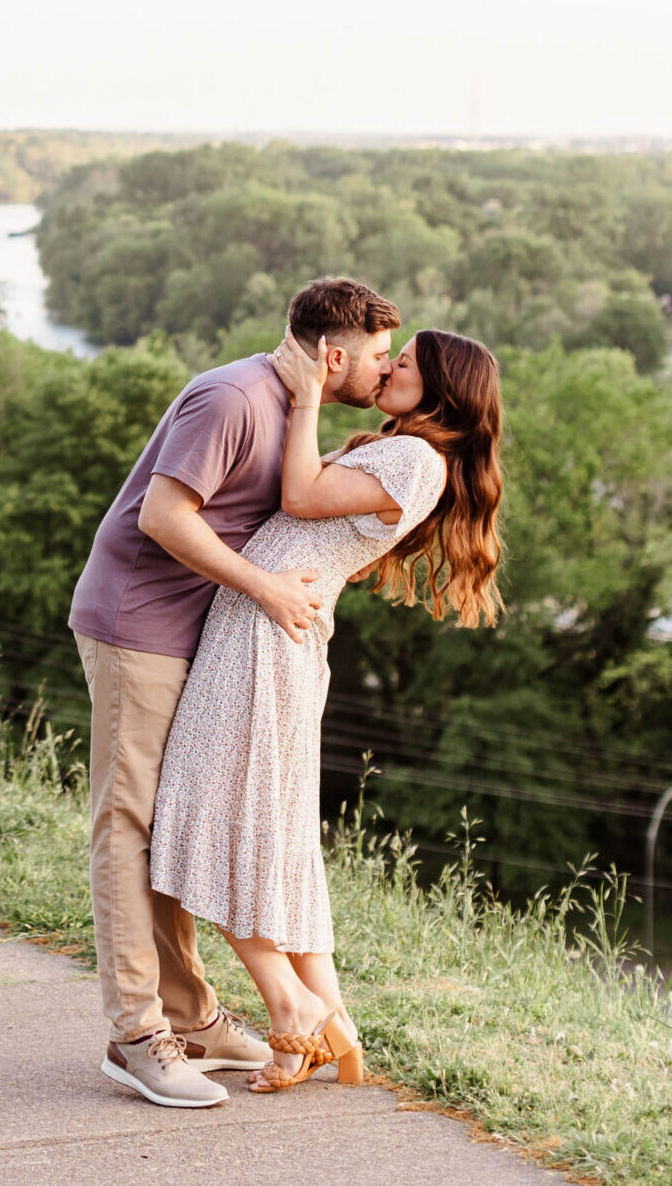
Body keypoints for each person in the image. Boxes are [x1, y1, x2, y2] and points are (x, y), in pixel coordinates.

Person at [69, 278, 401, 1109]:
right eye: (376, 356)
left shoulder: (291, 406)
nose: (385, 368)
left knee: (173, 822)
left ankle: (194, 1015)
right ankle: (136, 1035)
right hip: (137, 624)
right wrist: (266, 589)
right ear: (333, 355)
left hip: (197, 637)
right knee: (129, 826)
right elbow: (161, 518)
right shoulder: (233, 397)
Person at [150, 325, 504, 1092]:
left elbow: (299, 495)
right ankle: (331, 1027)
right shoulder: (400, 448)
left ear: (439, 387)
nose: (387, 369)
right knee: (262, 832)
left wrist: (306, 394)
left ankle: (291, 1010)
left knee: (205, 815)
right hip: (265, 625)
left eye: (402, 363)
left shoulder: (416, 459)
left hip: (264, 634)